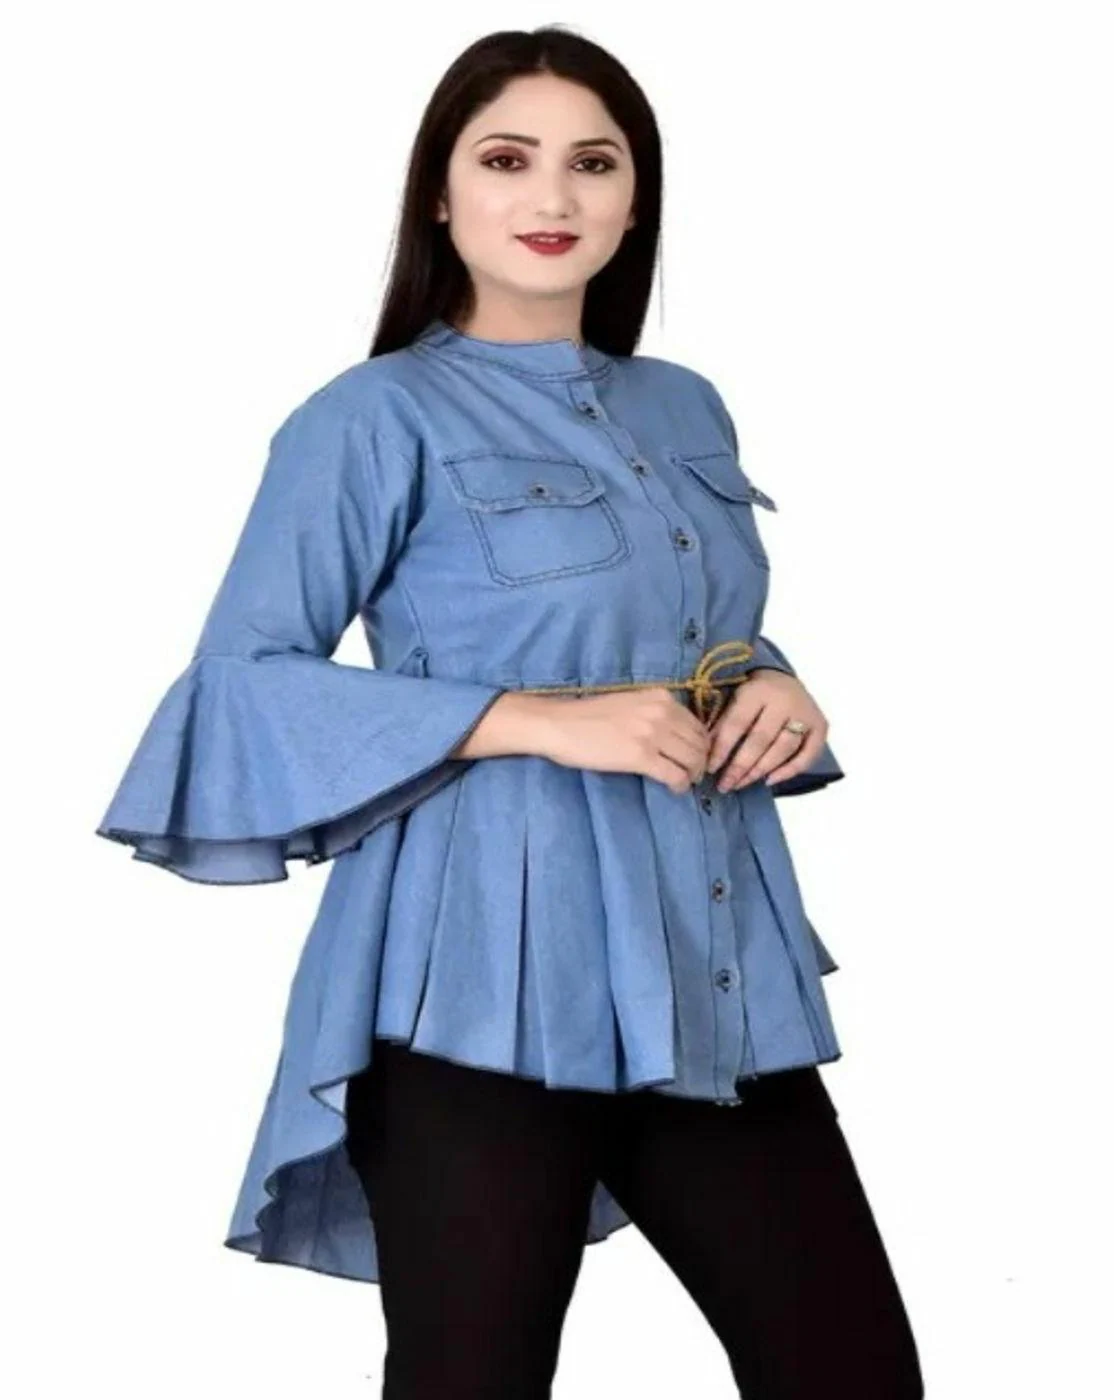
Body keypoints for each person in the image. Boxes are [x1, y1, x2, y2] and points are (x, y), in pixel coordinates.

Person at [95, 25, 923, 1400]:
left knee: (849, 1370)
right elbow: (239, 684)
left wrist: (767, 677)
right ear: (439, 192)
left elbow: (676, 630)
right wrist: (527, 720)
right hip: (472, 989)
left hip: (707, 973)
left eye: (593, 163)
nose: (552, 197)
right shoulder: (369, 418)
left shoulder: (684, 404)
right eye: (506, 160)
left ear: (636, 200)